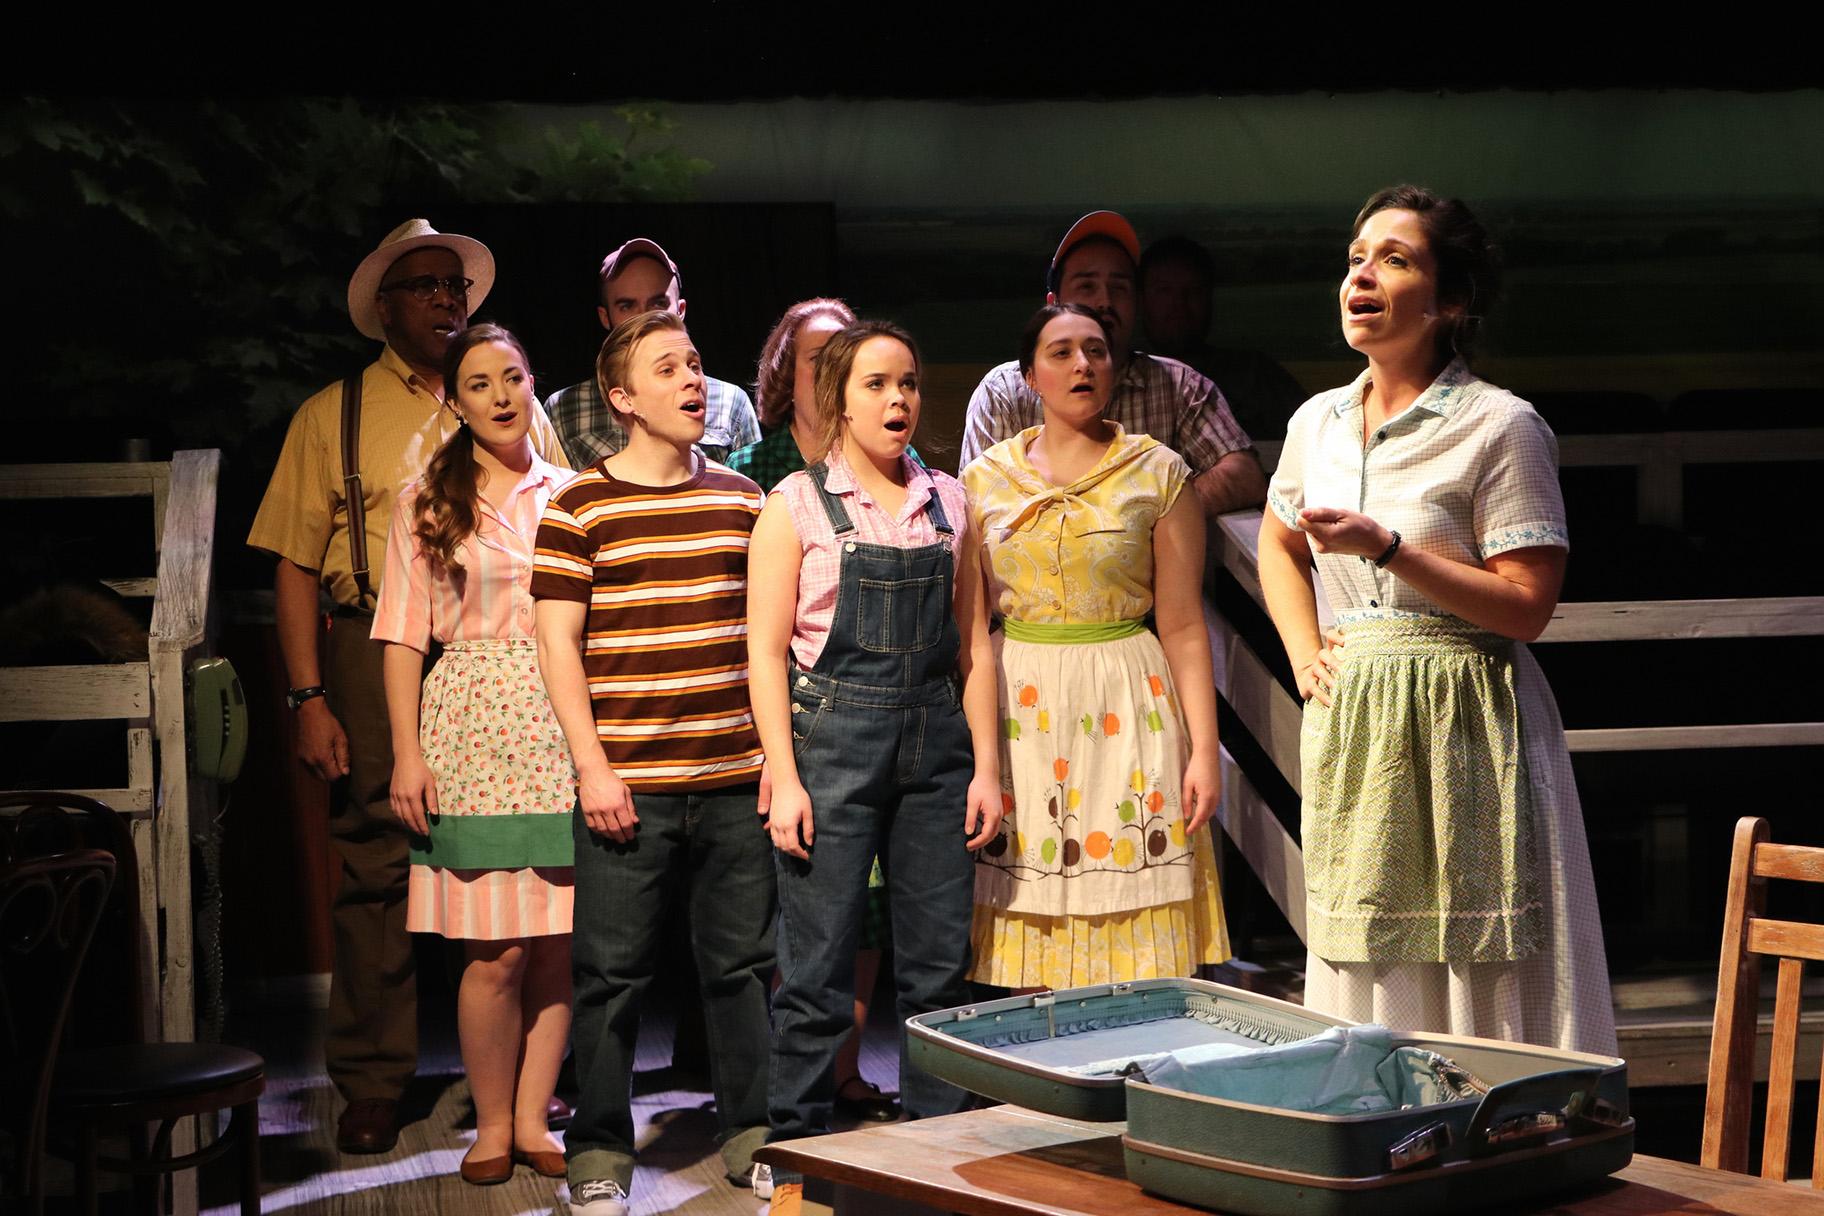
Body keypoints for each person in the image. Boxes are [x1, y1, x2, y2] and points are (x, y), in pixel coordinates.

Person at [1256, 185, 1617, 1056]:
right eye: (1355, 258)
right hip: (1360, 719)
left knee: (1481, 955)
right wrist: (1306, 655)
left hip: (1470, 716)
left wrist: (1392, 551)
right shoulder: (1318, 424)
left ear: (1449, 300)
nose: (1362, 275)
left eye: (1394, 258)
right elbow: (1277, 542)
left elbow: (1528, 607)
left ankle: (1497, 1136)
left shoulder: (1502, 426)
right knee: (1369, 956)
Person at [247, 219, 568, 1154]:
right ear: (382, 307)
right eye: (422, 285)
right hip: (380, 639)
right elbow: (295, 564)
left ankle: (522, 1084)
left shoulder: (511, 402)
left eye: (453, 285)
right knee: (378, 858)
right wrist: (307, 698)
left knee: (538, 879)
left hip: (512, 650)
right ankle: (376, 1076)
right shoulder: (333, 414)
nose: (443, 299)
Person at [748, 319, 1001, 1216]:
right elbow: (765, 651)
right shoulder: (796, 505)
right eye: (876, 385)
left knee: (935, 967)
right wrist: (782, 776)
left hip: (936, 741)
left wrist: (987, 768)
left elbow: (972, 639)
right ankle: (799, 1156)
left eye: (909, 384)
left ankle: (935, 1153)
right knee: (816, 963)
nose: (898, 401)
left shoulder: (950, 501)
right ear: (838, 399)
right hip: (833, 742)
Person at [532, 311, 774, 1216]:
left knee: (743, 969)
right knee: (609, 976)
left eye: (698, 363)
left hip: (732, 777)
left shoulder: (747, 503)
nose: (692, 380)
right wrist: (593, 767)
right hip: (629, 783)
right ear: (623, 398)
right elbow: (558, 647)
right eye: (667, 367)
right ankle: (597, 1151)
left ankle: (754, 1133)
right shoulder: (579, 506)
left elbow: (767, 641)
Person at [968, 303, 1229, 992]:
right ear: (1029, 376)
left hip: (1126, 697)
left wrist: (1203, 749)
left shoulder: (1157, 473)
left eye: (1097, 350)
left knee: (1134, 905)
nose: (1082, 364)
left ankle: (1133, 1082)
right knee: (1028, 901)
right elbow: (969, 624)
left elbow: (1181, 625)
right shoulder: (984, 481)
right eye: (1061, 352)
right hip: (1021, 703)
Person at [370, 324, 574, 1185]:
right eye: (480, 382)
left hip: (564, 724)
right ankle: (491, 1123)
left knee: (556, 944)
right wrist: (406, 754)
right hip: (470, 729)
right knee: (493, 952)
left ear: (532, 385)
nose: (499, 395)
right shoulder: (427, 497)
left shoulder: (573, 493)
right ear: (455, 400)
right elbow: (401, 637)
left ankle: (534, 1117)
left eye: (514, 377)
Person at [730, 297, 903, 1124]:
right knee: (794, 917)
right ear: (783, 373)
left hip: (868, 722)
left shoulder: (883, 471)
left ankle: (845, 1071)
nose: (831, 371)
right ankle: (783, 1097)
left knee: (862, 910)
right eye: (814, 357)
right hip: (769, 715)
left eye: (847, 355)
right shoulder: (750, 468)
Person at [959, 211, 1265, 520]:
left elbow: (1246, 474)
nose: (1105, 301)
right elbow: (975, 505)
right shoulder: (1005, 391)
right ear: (1054, 303)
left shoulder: (1181, 386)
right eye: (1087, 287)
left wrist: (1155, 516)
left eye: (1119, 288)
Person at [544, 237, 761, 466]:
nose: (644, 317)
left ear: (680, 309)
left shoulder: (730, 403)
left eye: (658, 304)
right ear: (604, 316)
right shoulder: (564, 409)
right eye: (627, 306)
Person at [1139, 234, 1309, 441]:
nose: (1179, 305)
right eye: (1164, 291)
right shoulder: (1120, 380)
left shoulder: (1254, 376)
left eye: (1193, 291)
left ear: (1209, 299)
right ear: (1141, 300)